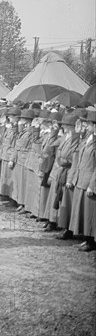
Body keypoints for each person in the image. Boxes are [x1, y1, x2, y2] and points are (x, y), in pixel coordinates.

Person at [67, 108, 96, 252]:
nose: (87, 126)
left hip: (89, 181)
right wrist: (78, 134)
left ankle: (91, 242)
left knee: (90, 214)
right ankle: (86, 239)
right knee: (83, 212)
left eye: (89, 124)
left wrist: (93, 185)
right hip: (81, 179)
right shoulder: (88, 139)